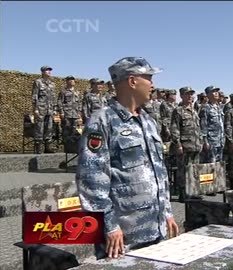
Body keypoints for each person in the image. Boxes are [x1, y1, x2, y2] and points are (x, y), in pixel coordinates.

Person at [76, 57, 179, 260]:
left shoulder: (148, 121)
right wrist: (109, 226)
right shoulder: (102, 121)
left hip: (155, 231)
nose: (153, 84)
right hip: (123, 239)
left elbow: (159, 173)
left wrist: (167, 212)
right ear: (132, 81)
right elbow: (92, 182)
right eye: (148, 78)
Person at [170, 86, 203, 201]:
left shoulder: (194, 111)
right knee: (183, 170)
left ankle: (192, 191)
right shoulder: (178, 110)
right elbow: (174, 129)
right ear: (182, 96)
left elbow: (198, 129)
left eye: (191, 94)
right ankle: (183, 193)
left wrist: (201, 142)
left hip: (195, 145)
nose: (190, 96)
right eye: (187, 94)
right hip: (185, 146)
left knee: (194, 170)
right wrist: (178, 144)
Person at [32, 65, 56, 154]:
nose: (49, 72)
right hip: (41, 109)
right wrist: (35, 109)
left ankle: (47, 147)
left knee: (49, 128)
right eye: (47, 70)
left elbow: (53, 97)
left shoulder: (52, 84)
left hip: (49, 109)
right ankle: (38, 147)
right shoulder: (38, 82)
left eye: (50, 70)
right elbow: (35, 96)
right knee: (39, 128)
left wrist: (54, 109)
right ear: (42, 72)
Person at [57, 76, 82, 143]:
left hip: (75, 115)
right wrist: (61, 112)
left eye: (73, 80)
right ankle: (66, 146)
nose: (72, 81)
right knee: (66, 130)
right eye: (70, 80)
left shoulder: (77, 92)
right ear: (67, 82)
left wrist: (79, 112)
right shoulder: (63, 92)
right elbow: (60, 102)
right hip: (67, 114)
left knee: (74, 130)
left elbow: (79, 103)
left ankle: (72, 146)